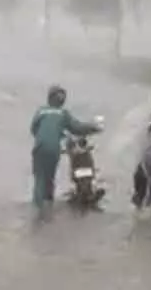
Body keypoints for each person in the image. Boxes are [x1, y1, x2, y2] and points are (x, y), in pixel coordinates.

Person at [30, 84, 102, 216]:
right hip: (53, 149)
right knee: (49, 178)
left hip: (39, 147)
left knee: (39, 178)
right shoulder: (63, 113)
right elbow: (77, 128)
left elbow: (34, 129)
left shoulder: (40, 111)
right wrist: (94, 128)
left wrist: (47, 137)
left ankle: (38, 209)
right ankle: (48, 204)